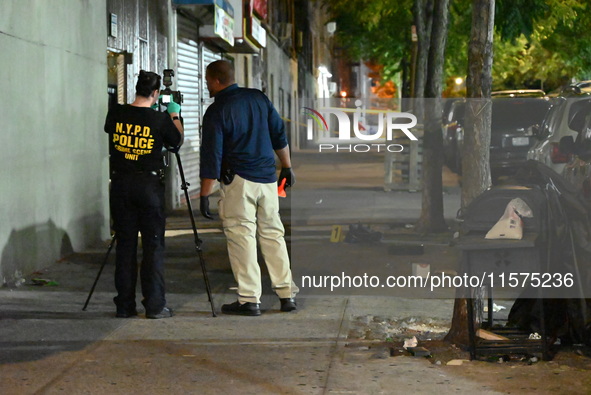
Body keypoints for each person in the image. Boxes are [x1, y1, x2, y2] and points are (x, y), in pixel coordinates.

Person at [199, 60, 298, 316]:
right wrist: (286, 166)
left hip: (238, 182)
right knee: (273, 235)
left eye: (208, 80)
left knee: (241, 236)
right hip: (267, 179)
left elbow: (212, 155)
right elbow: (278, 133)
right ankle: (286, 294)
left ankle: (249, 299)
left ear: (216, 80)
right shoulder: (259, 99)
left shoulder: (216, 110)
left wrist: (204, 193)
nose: (207, 84)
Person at [104, 70, 184, 319]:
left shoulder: (116, 113)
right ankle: (155, 305)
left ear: (136, 89)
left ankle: (124, 306)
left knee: (125, 246)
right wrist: (174, 114)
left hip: (120, 185)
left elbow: (110, 130)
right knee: (153, 245)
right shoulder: (160, 119)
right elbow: (176, 142)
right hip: (148, 188)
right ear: (156, 93)